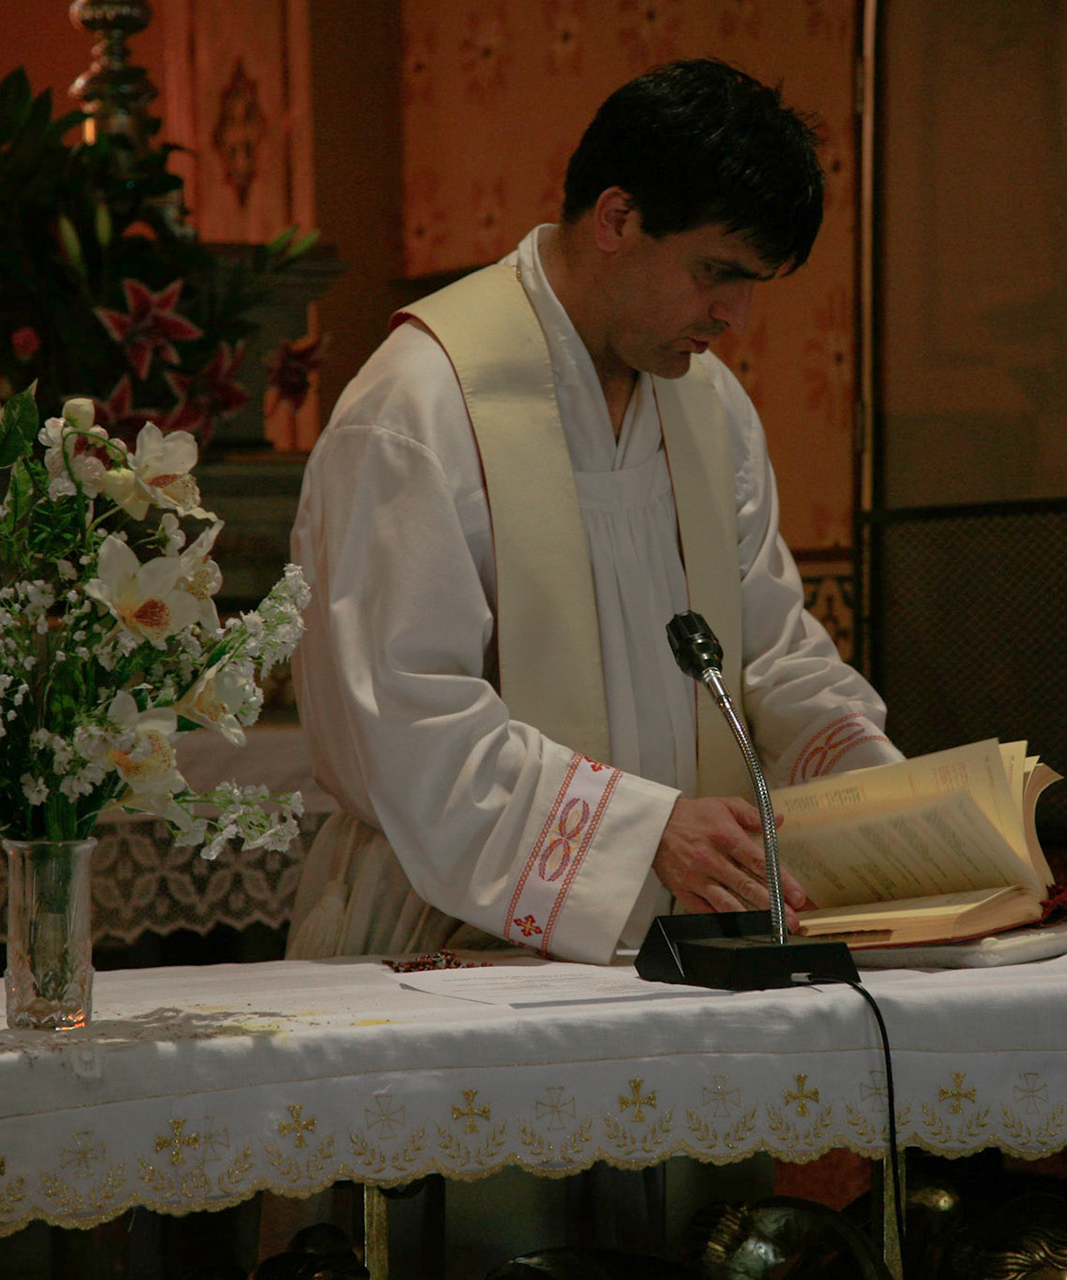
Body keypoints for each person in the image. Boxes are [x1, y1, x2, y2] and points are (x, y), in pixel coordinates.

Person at [287, 58, 900, 965]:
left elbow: (768, 656)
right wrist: (640, 833)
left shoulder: (712, 411)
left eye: (753, 284)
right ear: (616, 219)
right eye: (716, 272)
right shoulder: (421, 406)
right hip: (447, 936)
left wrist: (888, 797)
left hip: (689, 938)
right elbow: (404, 724)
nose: (734, 315)